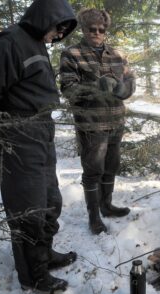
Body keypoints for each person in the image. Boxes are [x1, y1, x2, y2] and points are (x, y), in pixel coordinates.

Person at [0, 0, 77, 294]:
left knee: (50, 199)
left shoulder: (35, 44)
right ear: (43, 18)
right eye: (56, 28)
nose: (58, 35)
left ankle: (44, 255)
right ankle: (32, 274)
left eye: (63, 31)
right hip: (17, 134)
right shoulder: (9, 42)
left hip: (40, 131)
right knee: (28, 207)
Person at [60, 9, 136, 235]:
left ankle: (107, 205)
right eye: (92, 28)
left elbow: (130, 79)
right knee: (93, 170)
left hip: (115, 121)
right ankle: (94, 216)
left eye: (101, 29)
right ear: (83, 28)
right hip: (91, 124)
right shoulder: (71, 53)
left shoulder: (117, 55)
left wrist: (124, 89)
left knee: (111, 167)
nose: (97, 32)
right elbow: (68, 88)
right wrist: (95, 87)